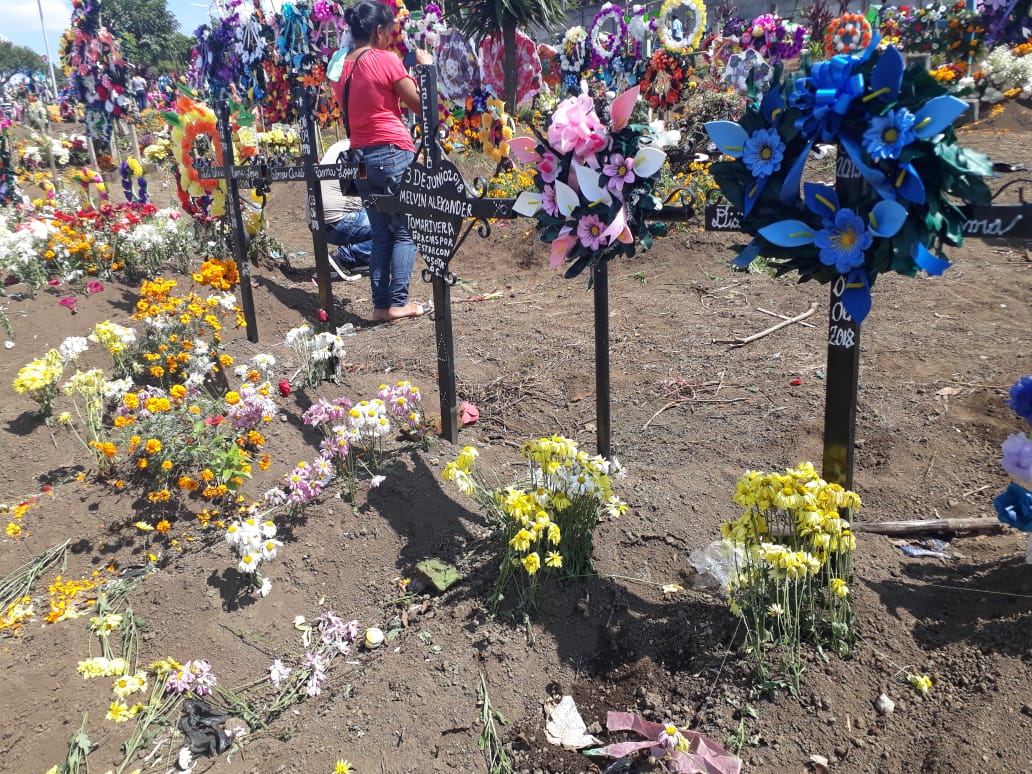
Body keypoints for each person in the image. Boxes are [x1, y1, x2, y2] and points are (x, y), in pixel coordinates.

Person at [335, 0, 432, 322]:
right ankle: (399, 303)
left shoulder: (342, 66)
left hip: (360, 157)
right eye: (389, 31)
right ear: (378, 30)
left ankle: (380, 306)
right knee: (406, 229)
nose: (391, 38)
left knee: (380, 232)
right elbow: (422, 105)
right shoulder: (384, 60)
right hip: (391, 151)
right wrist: (426, 69)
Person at [320, 138, 372, 281]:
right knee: (395, 226)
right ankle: (346, 256)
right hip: (338, 222)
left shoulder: (342, 144)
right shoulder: (365, 148)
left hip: (317, 220)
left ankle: (359, 257)